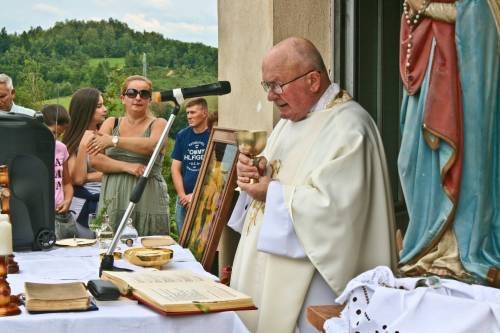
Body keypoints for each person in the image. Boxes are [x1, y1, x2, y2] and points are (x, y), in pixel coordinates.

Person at [227, 37, 397, 333]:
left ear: (313, 80)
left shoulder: (351, 128)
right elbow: (274, 171)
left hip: (314, 284)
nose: (271, 96)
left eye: (277, 85)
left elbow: (335, 212)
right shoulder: (289, 122)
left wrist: (270, 192)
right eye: (267, 86)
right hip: (267, 272)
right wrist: (253, 169)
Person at [398, 0, 500, 286]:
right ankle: (426, 244)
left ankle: (457, 251)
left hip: (463, 77)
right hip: (427, 64)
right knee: (409, 161)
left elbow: (479, 15)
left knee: (468, 161)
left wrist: (428, 8)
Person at [88, 75, 170, 236]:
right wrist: (127, 167)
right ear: (123, 98)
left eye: (144, 94)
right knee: (110, 247)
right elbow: (96, 159)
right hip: (114, 196)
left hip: (147, 195)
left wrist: (113, 140)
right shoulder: (111, 122)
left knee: (149, 249)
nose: (138, 98)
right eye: (132, 93)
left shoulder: (159, 123)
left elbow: (153, 145)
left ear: (149, 99)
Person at [63, 88, 107, 238]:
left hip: (107, 202)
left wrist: (91, 175)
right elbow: (77, 179)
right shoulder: (71, 141)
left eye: (103, 105)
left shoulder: (107, 136)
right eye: (99, 106)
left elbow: (114, 170)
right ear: (85, 110)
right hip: (81, 206)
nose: (104, 110)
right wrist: (82, 146)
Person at [171, 97, 210, 234]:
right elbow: (175, 168)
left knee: (203, 241)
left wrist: (196, 194)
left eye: (193, 112)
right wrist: (182, 196)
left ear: (204, 113)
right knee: (183, 238)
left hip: (207, 196)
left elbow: (217, 171)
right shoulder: (182, 135)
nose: (189, 116)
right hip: (184, 199)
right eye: (187, 113)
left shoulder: (213, 135)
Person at [41, 104, 77, 239]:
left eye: (59, 134)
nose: (55, 138)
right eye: (52, 132)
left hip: (59, 214)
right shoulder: (30, 148)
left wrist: (67, 200)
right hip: (41, 214)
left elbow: (67, 183)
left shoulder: (61, 148)